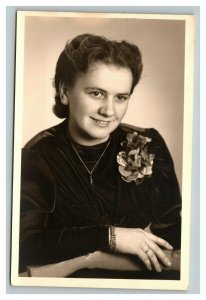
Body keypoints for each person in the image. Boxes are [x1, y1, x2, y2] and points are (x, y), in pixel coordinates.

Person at [19, 33, 182, 279]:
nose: (108, 110)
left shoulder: (150, 145)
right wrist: (110, 237)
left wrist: (96, 256)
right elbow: (25, 247)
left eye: (121, 97)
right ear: (65, 92)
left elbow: (175, 241)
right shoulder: (38, 156)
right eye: (96, 93)